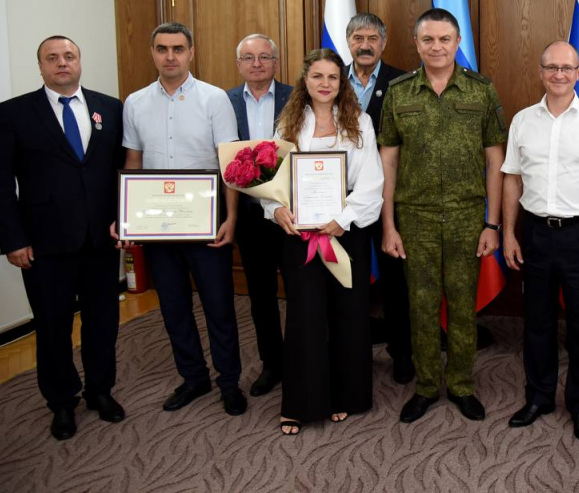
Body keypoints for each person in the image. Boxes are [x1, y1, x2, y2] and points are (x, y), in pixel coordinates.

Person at [378, 7, 506, 424]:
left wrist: (492, 223)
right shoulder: (399, 93)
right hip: (414, 217)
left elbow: (496, 161)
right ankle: (428, 385)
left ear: (457, 42)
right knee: (421, 304)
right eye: (428, 39)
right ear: (416, 43)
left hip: (467, 216)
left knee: (464, 305)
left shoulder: (480, 90)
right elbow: (388, 162)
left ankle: (462, 385)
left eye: (444, 39)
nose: (437, 47)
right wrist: (388, 225)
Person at [0, 36, 125, 440]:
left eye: (69, 56)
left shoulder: (110, 108)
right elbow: (0, 183)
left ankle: (100, 390)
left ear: (79, 61)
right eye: (52, 58)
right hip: (44, 244)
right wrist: (13, 240)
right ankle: (62, 401)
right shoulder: (13, 113)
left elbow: (121, 171)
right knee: (52, 326)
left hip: (101, 240)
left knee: (103, 321)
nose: (62, 63)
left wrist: (126, 221)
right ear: (41, 66)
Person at [502, 41, 579, 443]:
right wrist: (508, 232)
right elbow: (511, 179)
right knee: (537, 323)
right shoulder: (522, 120)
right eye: (552, 67)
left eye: (567, 67)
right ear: (541, 72)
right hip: (535, 233)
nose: (559, 74)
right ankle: (539, 397)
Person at [120, 22, 246, 416]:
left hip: (206, 223)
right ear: (153, 53)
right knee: (173, 307)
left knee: (219, 306)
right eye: (162, 49)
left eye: (178, 49)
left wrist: (231, 218)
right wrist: (128, 218)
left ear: (191, 53)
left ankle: (229, 382)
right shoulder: (135, 102)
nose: (170, 56)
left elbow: (228, 163)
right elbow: (134, 161)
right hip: (157, 223)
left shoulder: (214, 99)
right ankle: (193, 377)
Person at [264, 48, 384, 435]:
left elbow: (372, 181)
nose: (325, 83)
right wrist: (276, 209)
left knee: (347, 313)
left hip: (346, 231)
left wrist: (342, 220)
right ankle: (300, 404)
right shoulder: (288, 122)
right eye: (317, 76)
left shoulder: (359, 121)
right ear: (305, 80)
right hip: (298, 233)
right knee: (305, 315)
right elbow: (271, 177)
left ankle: (345, 395)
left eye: (333, 77)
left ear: (341, 82)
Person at [343, 12, 412, 384]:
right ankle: (353, 354)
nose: (365, 45)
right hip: (343, 202)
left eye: (372, 38)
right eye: (358, 38)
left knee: (396, 282)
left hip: (391, 200)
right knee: (348, 280)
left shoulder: (403, 82)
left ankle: (402, 353)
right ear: (348, 42)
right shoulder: (330, 80)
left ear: (383, 42)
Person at [226, 34, 292, 397]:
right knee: (261, 293)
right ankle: (272, 364)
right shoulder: (225, 102)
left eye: (264, 57)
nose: (256, 64)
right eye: (249, 58)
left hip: (291, 212)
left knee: (299, 290)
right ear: (239, 64)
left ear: (276, 62)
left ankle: (301, 357)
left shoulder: (297, 97)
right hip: (250, 214)